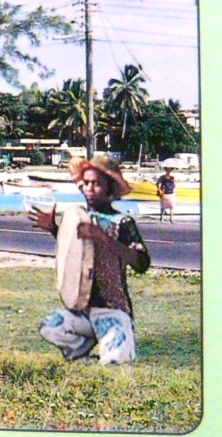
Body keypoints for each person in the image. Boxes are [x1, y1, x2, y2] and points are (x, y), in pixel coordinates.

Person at [29, 155, 150, 365]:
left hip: (112, 311)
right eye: (86, 183)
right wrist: (53, 228)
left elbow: (142, 263)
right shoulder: (78, 218)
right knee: (49, 326)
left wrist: (104, 237)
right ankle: (81, 350)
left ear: (110, 189)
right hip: (83, 312)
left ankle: (109, 343)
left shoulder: (122, 222)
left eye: (97, 184)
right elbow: (77, 252)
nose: (89, 188)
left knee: (115, 363)